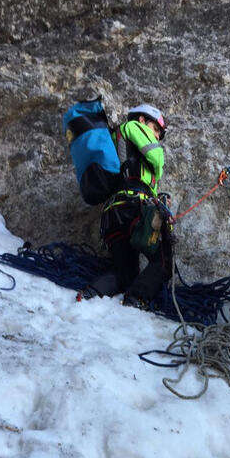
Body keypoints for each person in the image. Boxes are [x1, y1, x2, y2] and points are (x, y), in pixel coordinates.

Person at [83, 103, 172, 308]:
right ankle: (135, 301)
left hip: (113, 213)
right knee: (164, 261)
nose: (157, 136)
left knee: (126, 274)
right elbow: (156, 159)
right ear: (142, 119)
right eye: (156, 129)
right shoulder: (134, 126)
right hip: (134, 208)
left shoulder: (116, 140)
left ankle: (89, 294)